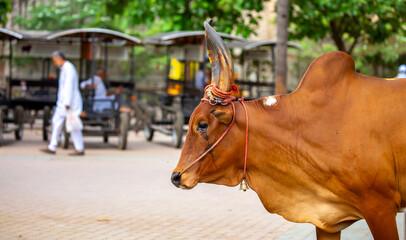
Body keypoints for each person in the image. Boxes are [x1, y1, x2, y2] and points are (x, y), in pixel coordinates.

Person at [41, 51, 84, 156]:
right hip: (64, 102)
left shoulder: (69, 69)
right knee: (57, 122)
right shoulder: (65, 69)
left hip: (69, 103)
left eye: (55, 61)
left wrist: (67, 103)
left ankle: (77, 148)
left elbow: (69, 87)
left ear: (59, 58)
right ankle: (53, 145)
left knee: (72, 124)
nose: (54, 63)